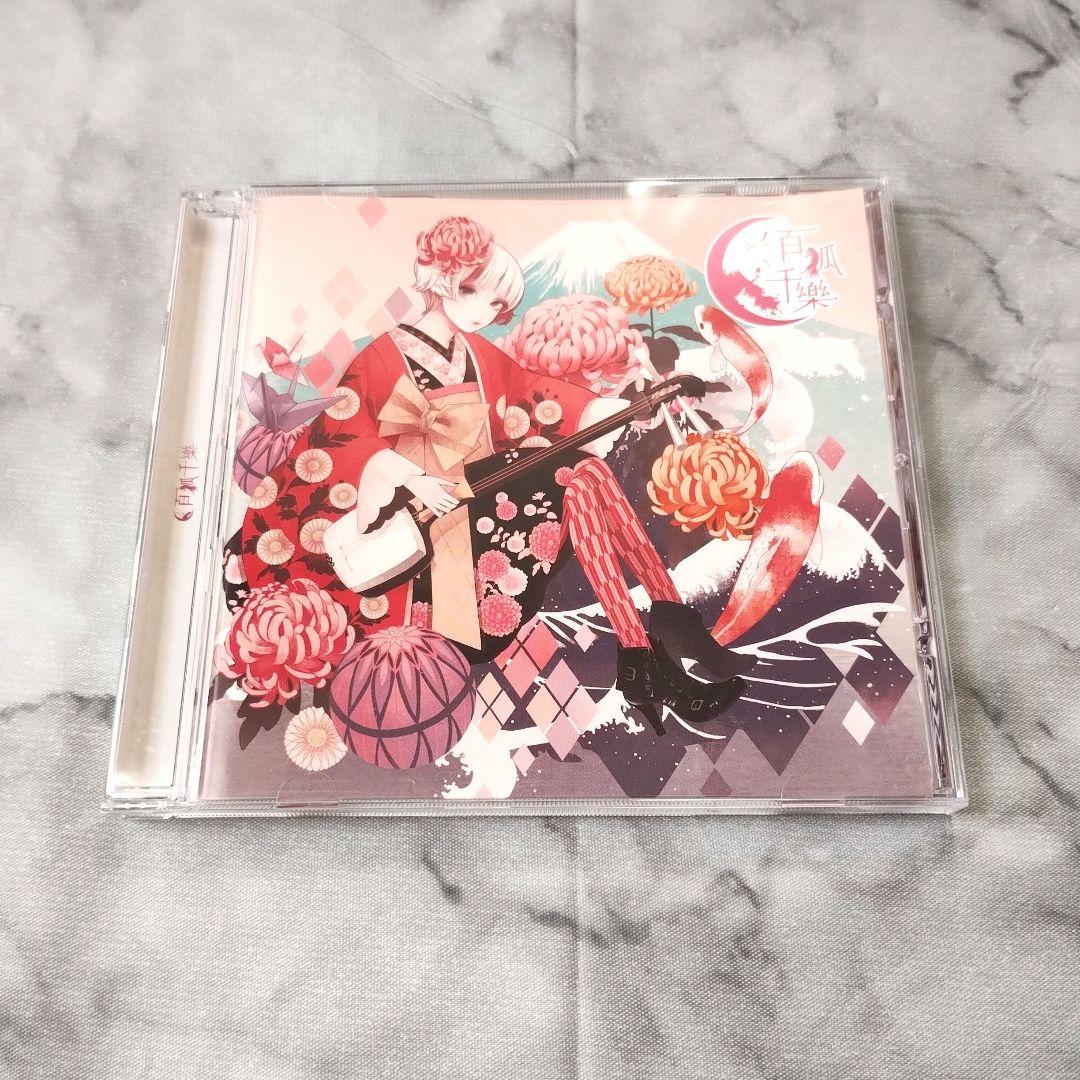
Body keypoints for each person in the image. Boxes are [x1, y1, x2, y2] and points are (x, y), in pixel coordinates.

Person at [235, 216, 751, 731]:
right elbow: (344, 431)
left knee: (586, 475)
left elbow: (531, 395)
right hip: (428, 523)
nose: (493, 312)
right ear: (448, 282)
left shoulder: (479, 354)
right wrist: (406, 476)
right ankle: (656, 641)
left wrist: (603, 410)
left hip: (479, 494)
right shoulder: (379, 357)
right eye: (483, 295)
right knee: (583, 475)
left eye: (500, 303)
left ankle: (645, 650)